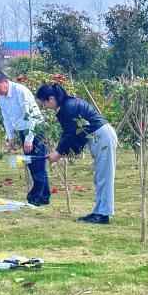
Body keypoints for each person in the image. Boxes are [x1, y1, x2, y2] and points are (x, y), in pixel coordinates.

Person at [35, 82, 118, 225]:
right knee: (99, 177)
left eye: (44, 103)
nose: (45, 107)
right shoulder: (68, 105)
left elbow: (70, 133)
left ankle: (104, 214)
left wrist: (58, 153)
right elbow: (71, 134)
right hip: (99, 137)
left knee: (104, 177)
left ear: (51, 98)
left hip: (102, 137)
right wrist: (60, 151)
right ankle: (98, 212)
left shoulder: (69, 106)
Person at [0, 70, 50, 206]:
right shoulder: (1, 97)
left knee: (37, 165)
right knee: (33, 165)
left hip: (35, 129)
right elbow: (6, 117)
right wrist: (10, 137)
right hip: (23, 131)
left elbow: (31, 116)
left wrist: (29, 138)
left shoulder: (21, 91)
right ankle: (44, 197)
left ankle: (34, 198)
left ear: (5, 81)